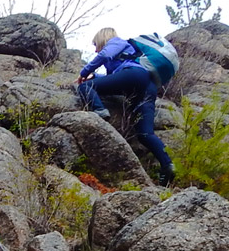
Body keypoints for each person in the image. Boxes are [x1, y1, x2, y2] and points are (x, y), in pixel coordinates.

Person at [75, 28, 176, 184]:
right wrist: (95, 76)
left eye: (96, 44)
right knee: (145, 134)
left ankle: (100, 112)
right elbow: (114, 78)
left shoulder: (117, 42)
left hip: (134, 75)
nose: (95, 49)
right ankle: (167, 165)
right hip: (148, 86)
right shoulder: (126, 55)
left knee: (85, 87)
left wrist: (84, 73)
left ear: (103, 38)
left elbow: (105, 55)